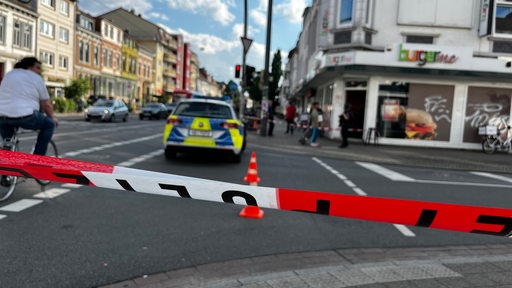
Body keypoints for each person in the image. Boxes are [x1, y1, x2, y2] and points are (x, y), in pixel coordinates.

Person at [0, 57, 58, 156]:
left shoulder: (9, 75)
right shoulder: (36, 78)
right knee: (49, 125)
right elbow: (46, 104)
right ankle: (37, 158)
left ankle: (6, 163)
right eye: (38, 68)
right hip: (26, 116)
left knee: (7, 146)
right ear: (29, 67)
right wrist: (52, 118)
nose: (39, 71)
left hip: (2, 116)